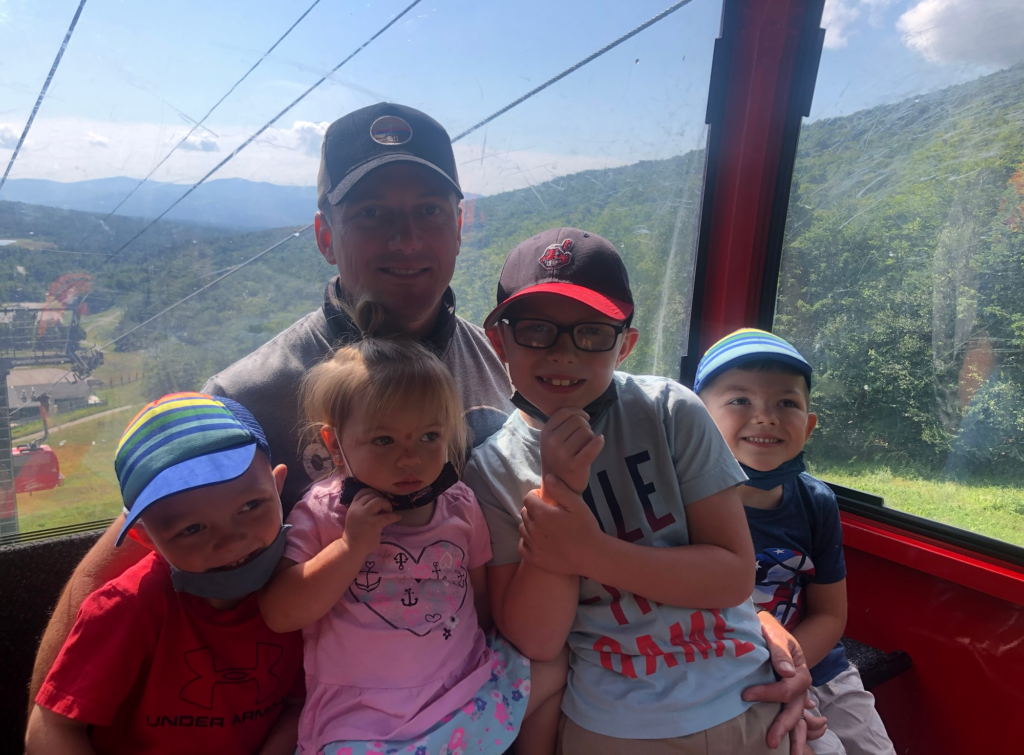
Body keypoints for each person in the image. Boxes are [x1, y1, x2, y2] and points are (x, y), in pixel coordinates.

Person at [29, 104, 811, 743]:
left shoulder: (513, 378)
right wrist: (47, 715)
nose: (406, 240)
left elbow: (571, 555)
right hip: (322, 713)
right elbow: (135, 555)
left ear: (461, 224)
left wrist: (744, 629)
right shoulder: (257, 391)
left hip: (483, 693)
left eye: (429, 212)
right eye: (372, 214)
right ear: (325, 233)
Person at [463, 227, 806, 754]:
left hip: (748, 695)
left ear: (626, 344)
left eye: (592, 333)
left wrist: (590, 552)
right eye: (536, 330)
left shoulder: (670, 411)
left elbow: (732, 576)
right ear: (498, 340)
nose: (564, 353)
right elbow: (536, 639)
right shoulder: (493, 471)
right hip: (617, 721)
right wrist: (558, 496)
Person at [258, 302, 566, 755]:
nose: (410, 458)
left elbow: (478, 602)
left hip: (462, 691)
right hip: (366, 724)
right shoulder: (324, 512)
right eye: (384, 440)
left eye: (429, 437)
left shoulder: (458, 502)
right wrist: (349, 547)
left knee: (552, 664)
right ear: (334, 443)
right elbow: (280, 613)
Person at [25, 392, 304, 755]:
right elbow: (50, 727)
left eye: (251, 505)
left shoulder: (306, 590)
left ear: (277, 486)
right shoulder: (129, 608)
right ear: (145, 537)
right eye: (192, 529)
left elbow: (299, 704)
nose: (230, 540)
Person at [695, 329, 896, 755]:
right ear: (696, 419)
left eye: (786, 403)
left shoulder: (816, 502)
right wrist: (767, 674)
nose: (765, 416)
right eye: (740, 400)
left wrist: (789, 667)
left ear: (808, 426)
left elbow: (829, 612)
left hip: (820, 664)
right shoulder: (687, 505)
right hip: (731, 673)